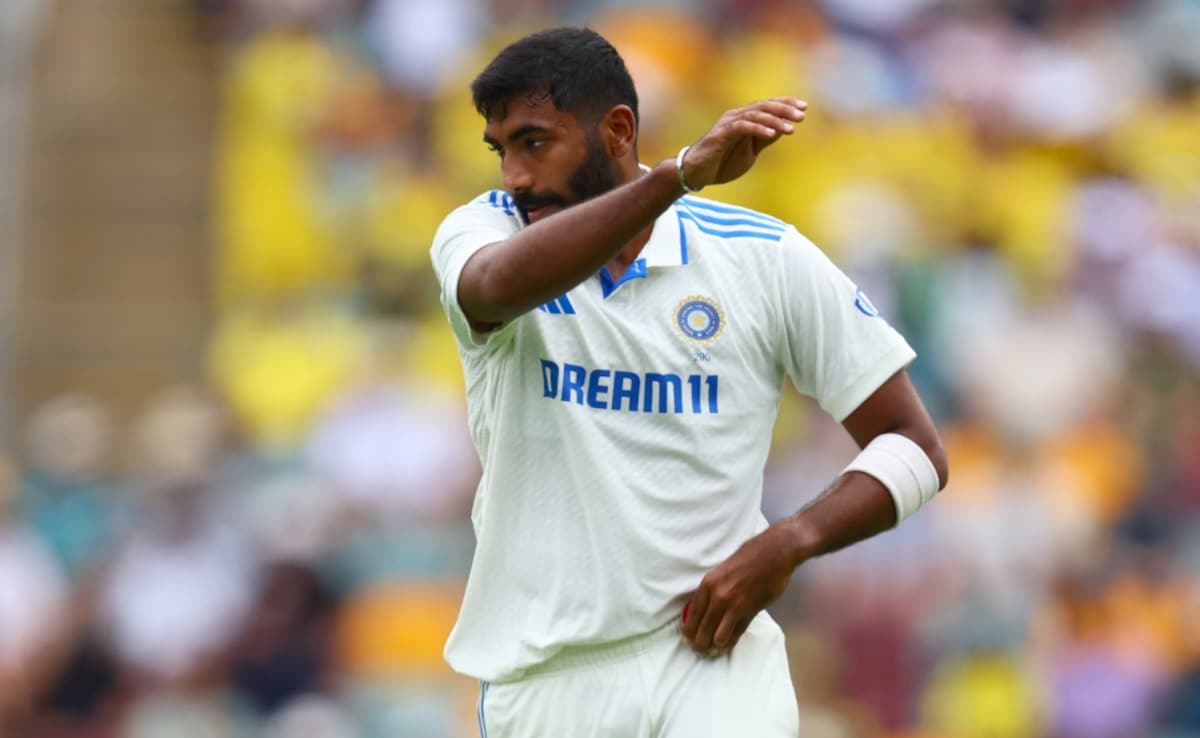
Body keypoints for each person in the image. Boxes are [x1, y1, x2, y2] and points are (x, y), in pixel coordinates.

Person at [429, 27, 948, 738]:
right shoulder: (483, 234)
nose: (514, 176)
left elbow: (914, 445)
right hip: (544, 678)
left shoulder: (763, 258)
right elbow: (492, 288)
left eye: (534, 143)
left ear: (617, 131)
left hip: (711, 660)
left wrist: (791, 539)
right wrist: (672, 180)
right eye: (501, 150)